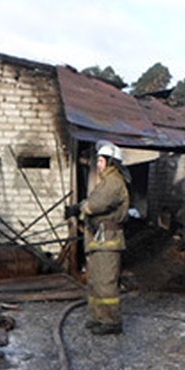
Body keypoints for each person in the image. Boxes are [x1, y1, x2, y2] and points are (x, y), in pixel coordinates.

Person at [64, 142, 130, 335]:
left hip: (107, 240)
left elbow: (96, 204)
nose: (98, 164)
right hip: (99, 239)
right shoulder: (106, 181)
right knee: (95, 282)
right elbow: (93, 202)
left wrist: (79, 208)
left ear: (111, 162)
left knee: (106, 283)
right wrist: (82, 207)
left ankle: (111, 322)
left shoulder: (113, 182)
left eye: (101, 161)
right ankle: (98, 317)